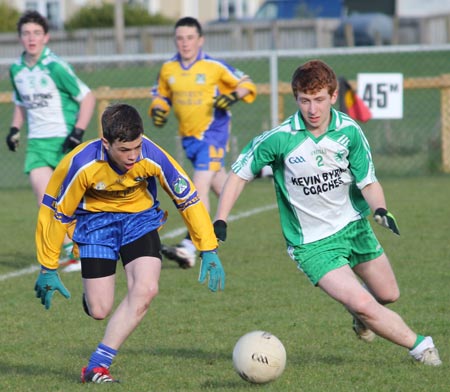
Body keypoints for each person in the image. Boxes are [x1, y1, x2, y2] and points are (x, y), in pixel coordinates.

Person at [213, 59, 442, 366]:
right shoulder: (280, 138)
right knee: (363, 303)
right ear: (296, 98)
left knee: (387, 295)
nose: (312, 109)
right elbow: (240, 173)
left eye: (319, 99)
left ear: (333, 96)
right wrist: (221, 218)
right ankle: (423, 349)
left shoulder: (349, 132)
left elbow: (369, 182)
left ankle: (362, 315)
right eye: (305, 100)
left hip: (354, 227)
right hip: (312, 244)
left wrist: (380, 209)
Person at [33, 103, 225, 383]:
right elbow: (55, 213)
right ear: (105, 142)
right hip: (95, 223)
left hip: (139, 220)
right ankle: (92, 292)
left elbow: (188, 198)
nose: (133, 156)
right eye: (124, 150)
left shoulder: (152, 154)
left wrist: (207, 247)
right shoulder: (82, 164)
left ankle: (97, 366)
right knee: (99, 310)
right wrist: (48, 266)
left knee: (147, 289)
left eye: (137, 147)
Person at [149, 16, 257, 269]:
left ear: (200, 40)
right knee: (224, 189)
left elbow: (247, 84)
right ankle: (266, 172)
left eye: (190, 38)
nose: (185, 43)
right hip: (189, 139)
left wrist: (231, 97)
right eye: (180, 38)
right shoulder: (168, 69)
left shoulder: (214, 66)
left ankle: (190, 247)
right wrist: (159, 109)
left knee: (196, 190)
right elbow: (160, 95)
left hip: (214, 135)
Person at [7, 10, 96, 272]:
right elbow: (21, 103)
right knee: (45, 199)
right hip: (37, 144)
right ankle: (72, 253)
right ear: (20, 38)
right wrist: (14, 128)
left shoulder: (55, 66)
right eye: (26, 33)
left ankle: (91, 245)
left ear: (46, 37)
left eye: (36, 33)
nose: (31, 38)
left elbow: (88, 97)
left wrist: (78, 131)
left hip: (63, 142)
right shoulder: (17, 69)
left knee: (78, 200)